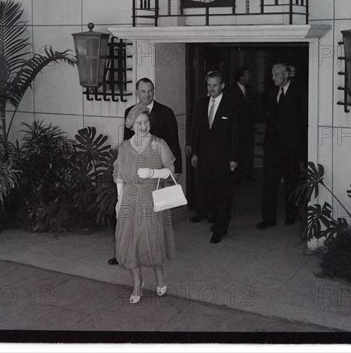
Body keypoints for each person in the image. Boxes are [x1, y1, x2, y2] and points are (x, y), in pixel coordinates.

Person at [108, 78, 182, 266]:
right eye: (143, 91)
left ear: (153, 91)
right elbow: (127, 144)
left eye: (150, 90)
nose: (147, 94)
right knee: (131, 222)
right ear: (137, 92)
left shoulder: (166, 112)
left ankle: (154, 255)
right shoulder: (129, 113)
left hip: (157, 171)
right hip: (135, 177)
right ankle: (129, 253)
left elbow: (173, 142)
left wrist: (175, 170)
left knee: (154, 222)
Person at [113, 104, 177, 304]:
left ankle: (160, 275)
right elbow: (119, 178)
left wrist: (153, 173)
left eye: (146, 122)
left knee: (152, 240)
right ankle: (137, 282)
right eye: (139, 123)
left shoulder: (158, 144)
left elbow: (171, 171)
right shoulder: (123, 148)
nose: (143, 126)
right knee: (130, 242)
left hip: (151, 198)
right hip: (130, 199)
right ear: (131, 125)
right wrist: (119, 201)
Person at [190, 71, 239, 243]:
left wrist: (234, 158)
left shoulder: (231, 104)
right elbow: (196, 129)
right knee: (208, 190)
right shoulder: (202, 104)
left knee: (223, 193)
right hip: (204, 156)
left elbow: (236, 133)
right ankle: (215, 217)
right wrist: (195, 152)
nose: (211, 88)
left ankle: (221, 227)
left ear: (222, 85)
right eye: (209, 85)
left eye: (215, 85)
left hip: (223, 157)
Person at [257, 63, 307, 228]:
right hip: (272, 145)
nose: (273, 78)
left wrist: (301, 146)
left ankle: (291, 215)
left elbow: (303, 119)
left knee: (291, 181)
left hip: (291, 146)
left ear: (286, 75)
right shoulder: (271, 93)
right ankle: (268, 218)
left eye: (276, 74)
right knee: (269, 182)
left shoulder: (299, 92)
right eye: (272, 74)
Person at [228, 66, 256, 184]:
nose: (250, 77)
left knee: (248, 151)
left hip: (248, 127)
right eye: (247, 75)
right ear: (241, 77)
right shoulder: (231, 91)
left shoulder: (250, 90)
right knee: (237, 152)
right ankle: (236, 176)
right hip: (237, 128)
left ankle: (247, 173)